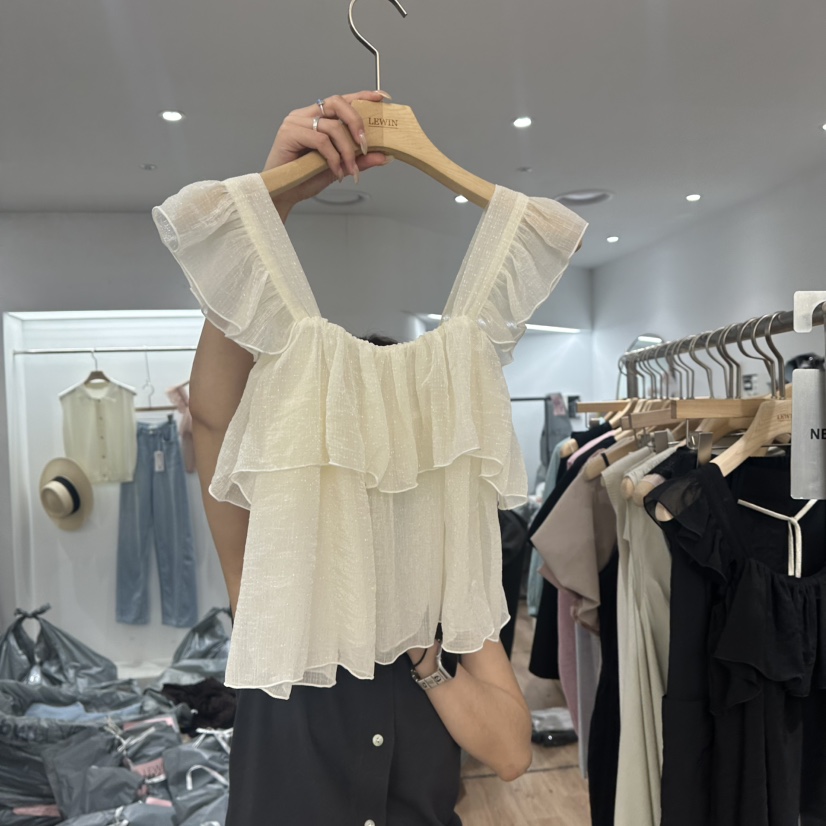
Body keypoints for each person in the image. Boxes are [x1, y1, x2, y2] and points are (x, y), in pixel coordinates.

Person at [189, 90, 533, 825]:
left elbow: (510, 753)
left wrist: (427, 660)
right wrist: (272, 201)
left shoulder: (449, 587)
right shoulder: (273, 574)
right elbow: (214, 419)